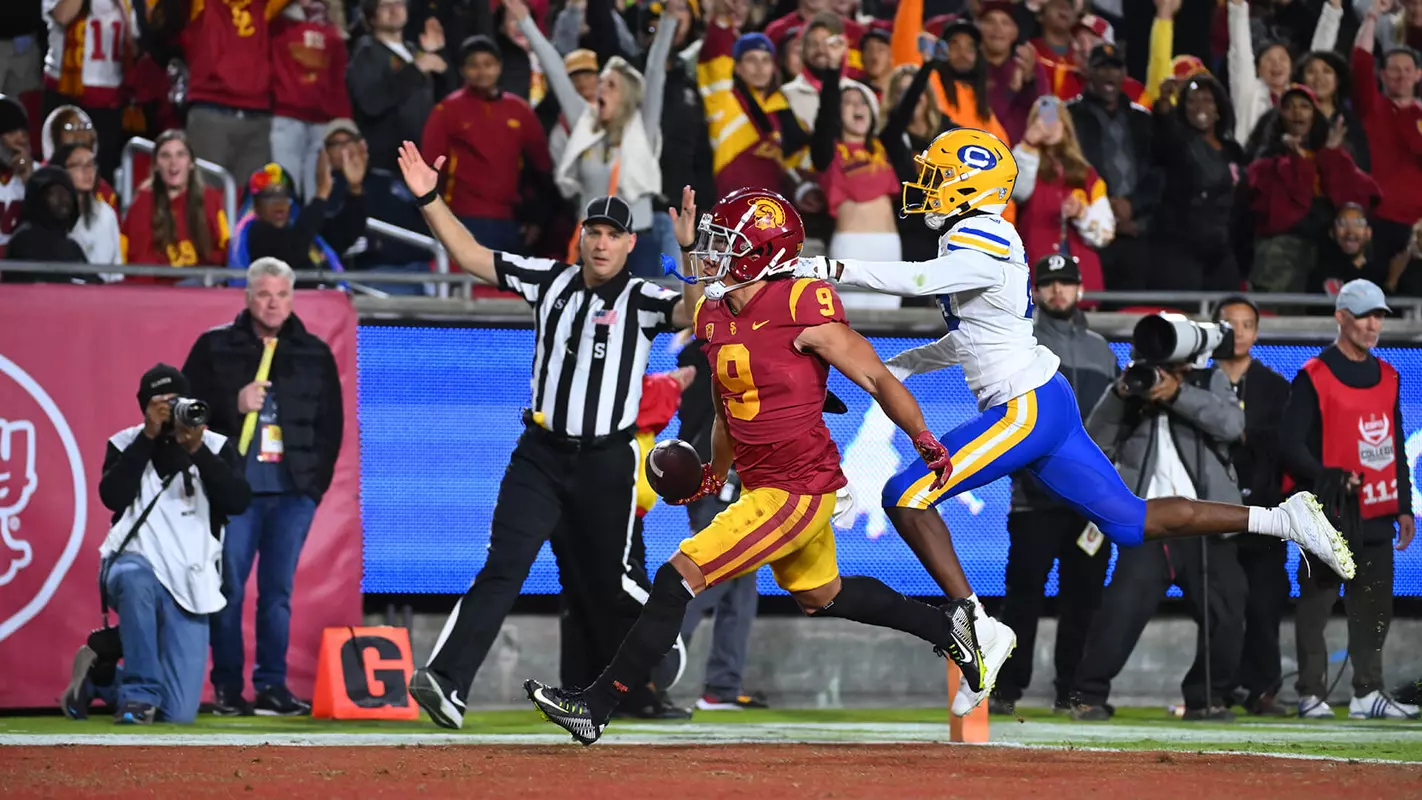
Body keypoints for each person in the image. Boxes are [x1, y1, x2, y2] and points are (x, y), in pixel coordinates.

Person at [796, 127, 1355, 717]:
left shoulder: (980, 230)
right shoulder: (972, 237)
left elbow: (915, 283)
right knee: (1131, 523)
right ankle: (1281, 519)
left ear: (970, 187)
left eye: (938, 179)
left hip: (1025, 406)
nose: (927, 191)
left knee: (904, 493)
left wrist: (825, 266)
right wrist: (895, 367)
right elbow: (968, 338)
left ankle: (976, 627)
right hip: (1044, 402)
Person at [524, 187, 974, 746]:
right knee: (823, 595)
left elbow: (878, 377)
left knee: (676, 577)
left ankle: (595, 706)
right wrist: (715, 470)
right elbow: (725, 402)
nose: (711, 255)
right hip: (764, 483)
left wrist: (922, 436)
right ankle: (949, 626)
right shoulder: (713, 311)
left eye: (724, 244)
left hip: (796, 489)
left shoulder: (800, 303)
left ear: (762, 254)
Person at [396, 140, 700, 730]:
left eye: (615, 234)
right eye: (595, 232)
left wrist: (686, 250)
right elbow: (472, 256)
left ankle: (662, 637)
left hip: (607, 462)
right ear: (581, 238)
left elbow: (690, 315)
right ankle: (447, 682)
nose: (603, 242)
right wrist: (430, 199)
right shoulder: (548, 281)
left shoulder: (640, 298)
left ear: (631, 244)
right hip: (539, 454)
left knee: (607, 583)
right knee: (503, 566)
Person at [182, 258, 345, 717]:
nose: (273, 303)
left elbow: (330, 425)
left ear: (292, 298)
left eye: (281, 294)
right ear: (247, 296)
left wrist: (313, 489)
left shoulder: (314, 352)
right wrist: (231, 403)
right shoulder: (214, 346)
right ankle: (228, 689)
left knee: (278, 593)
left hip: (293, 495)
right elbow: (185, 410)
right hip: (235, 492)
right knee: (228, 589)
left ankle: (272, 686)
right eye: (263, 294)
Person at [1069, 347, 1250, 723]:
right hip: (1148, 521)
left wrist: (1179, 394)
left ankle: (1206, 699)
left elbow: (1232, 426)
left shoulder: (1208, 380)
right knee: (1120, 611)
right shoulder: (1128, 390)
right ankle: (1088, 695)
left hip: (1206, 520)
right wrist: (1121, 395)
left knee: (1228, 609)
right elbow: (1093, 442)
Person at [62, 365, 250, 725]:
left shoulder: (214, 445)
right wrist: (149, 436)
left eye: (176, 401)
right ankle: (139, 694)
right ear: (145, 407)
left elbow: (238, 501)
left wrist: (196, 450)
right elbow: (112, 496)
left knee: (178, 713)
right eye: (160, 402)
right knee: (137, 582)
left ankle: (100, 677)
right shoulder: (124, 443)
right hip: (134, 563)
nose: (170, 409)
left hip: (190, 578)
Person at [1279, 279, 1419, 720]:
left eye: (1379, 315)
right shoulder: (1313, 377)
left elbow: (1395, 444)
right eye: (1364, 315)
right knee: (1317, 606)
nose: (1373, 324)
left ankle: (1367, 693)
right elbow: (1289, 445)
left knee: (1375, 604)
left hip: (1377, 511)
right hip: (1327, 513)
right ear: (1341, 317)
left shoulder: (1390, 376)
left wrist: (1403, 506)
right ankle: (1311, 693)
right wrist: (1330, 477)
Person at [989, 255, 1116, 717]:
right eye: (1049, 283)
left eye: (1066, 282)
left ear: (1081, 289)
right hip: (1034, 501)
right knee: (1023, 598)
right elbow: (1003, 414)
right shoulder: (1020, 344)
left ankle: (1074, 692)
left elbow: (1118, 425)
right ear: (1036, 291)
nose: (1058, 291)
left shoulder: (1102, 349)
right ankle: (1005, 689)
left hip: (1090, 505)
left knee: (1084, 600)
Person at [511, 0, 675, 276]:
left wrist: (669, 20)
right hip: (593, 245)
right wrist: (525, 21)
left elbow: (656, 70)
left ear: (625, 96)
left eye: (610, 85)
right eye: (601, 83)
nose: (600, 89)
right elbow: (555, 71)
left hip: (637, 243)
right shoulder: (584, 123)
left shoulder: (642, 127)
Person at [673, 338, 766, 711]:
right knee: (711, 575)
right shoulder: (706, 353)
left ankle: (722, 687)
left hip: (742, 484)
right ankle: (653, 658)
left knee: (742, 589)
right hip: (715, 479)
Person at [1212, 295, 1292, 718]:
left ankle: (1264, 690)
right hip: (1208, 514)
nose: (1238, 332)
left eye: (1246, 325)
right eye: (1230, 324)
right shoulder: (1195, 384)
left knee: (1264, 603)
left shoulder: (1277, 388)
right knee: (1220, 607)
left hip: (1265, 514)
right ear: (1215, 329)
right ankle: (1215, 689)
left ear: (1257, 333)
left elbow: (1285, 448)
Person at [420, 33, 552, 255]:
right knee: (467, 288)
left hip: (510, 220)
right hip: (462, 218)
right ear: (463, 70)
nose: (482, 72)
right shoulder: (447, 111)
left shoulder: (520, 111)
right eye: (474, 66)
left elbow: (540, 167)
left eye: (488, 64)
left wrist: (536, 217)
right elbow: (430, 168)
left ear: (499, 66)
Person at [1245, 84, 1377, 294]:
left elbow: (1353, 196)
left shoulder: (1328, 151)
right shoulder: (1267, 157)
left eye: (1304, 106)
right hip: (1281, 251)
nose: (1297, 112)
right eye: (1289, 106)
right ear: (1279, 115)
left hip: (1326, 250)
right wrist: (1294, 159)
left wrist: (1332, 154)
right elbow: (1292, 201)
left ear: (1314, 114)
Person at [1067, 43, 1161, 291]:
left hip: (1136, 231)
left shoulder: (1143, 119)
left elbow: (1157, 171)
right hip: (1088, 229)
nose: (1109, 75)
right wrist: (1105, 206)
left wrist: (1132, 205)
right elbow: (1067, 166)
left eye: (1115, 68)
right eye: (1101, 68)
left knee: (1134, 308)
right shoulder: (1070, 115)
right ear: (1088, 72)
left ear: (1124, 74)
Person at [810, 45, 902, 298]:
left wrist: (929, 66)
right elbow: (824, 116)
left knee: (890, 330)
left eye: (862, 101)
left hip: (889, 247)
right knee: (853, 327)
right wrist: (831, 68)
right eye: (847, 103)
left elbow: (902, 114)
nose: (856, 106)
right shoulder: (828, 152)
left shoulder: (885, 147)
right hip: (851, 247)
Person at [699, 0, 811, 198]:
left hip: (776, 211)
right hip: (735, 208)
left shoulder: (782, 108)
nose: (760, 68)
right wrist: (723, 21)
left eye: (765, 60)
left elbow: (795, 163)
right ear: (737, 67)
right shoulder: (724, 99)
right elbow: (716, 56)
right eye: (751, 60)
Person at [1011, 95, 1115, 295]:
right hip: (1036, 281)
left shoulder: (1087, 175)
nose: (1047, 125)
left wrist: (1082, 214)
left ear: (1065, 124)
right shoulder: (1023, 163)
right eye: (1040, 119)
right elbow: (1018, 191)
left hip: (1081, 284)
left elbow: (1105, 234)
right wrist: (1028, 145)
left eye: (1053, 117)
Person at [1150, 74, 1244, 291]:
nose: (1199, 106)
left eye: (1207, 100)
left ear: (1219, 109)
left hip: (1222, 247)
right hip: (1181, 245)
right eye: (1192, 100)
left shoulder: (1233, 151)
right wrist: (1164, 102)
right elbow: (1165, 131)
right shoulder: (1178, 142)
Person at [179, 0, 280, 192]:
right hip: (210, 110)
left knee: (252, 203)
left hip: (257, 117)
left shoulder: (262, 5)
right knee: (206, 199)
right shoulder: (202, 4)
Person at [1352, 7, 1422, 268]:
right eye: (1393, 70)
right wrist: (1371, 18)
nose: (1401, 75)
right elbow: (1360, 59)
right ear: (1382, 76)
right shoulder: (1373, 107)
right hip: (1377, 219)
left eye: (1407, 69)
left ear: (1418, 75)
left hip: (1419, 226)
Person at [1226, 0, 1343, 147]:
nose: (1277, 65)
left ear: (1292, 66)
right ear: (1258, 69)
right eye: (1269, 60)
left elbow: (1319, 55)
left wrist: (1333, 9)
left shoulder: (1300, 93)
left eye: (1282, 59)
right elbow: (1239, 51)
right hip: (1252, 166)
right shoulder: (1249, 93)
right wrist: (1237, 7)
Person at [348, 0, 446, 172]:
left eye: (399, 3)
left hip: (422, 158)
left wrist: (439, 55)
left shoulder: (414, 51)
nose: (395, 10)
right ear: (371, 17)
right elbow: (371, 102)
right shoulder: (366, 51)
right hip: (388, 163)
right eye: (385, 6)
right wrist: (416, 69)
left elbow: (443, 97)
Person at [40, 0, 133, 182]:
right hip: (64, 91)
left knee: (100, 174)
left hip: (110, 96)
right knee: (59, 170)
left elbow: (137, 39)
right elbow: (63, 15)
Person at [269, 0, 351, 204]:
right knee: (284, 192)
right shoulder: (278, 22)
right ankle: (284, 235)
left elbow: (338, 84)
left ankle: (309, 235)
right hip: (285, 118)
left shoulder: (335, 33)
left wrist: (345, 126)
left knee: (319, 195)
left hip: (322, 126)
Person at [120, 129, 228, 273]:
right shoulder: (143, 203)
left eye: (180, 155)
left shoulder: (210, 198)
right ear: (156, 165)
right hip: (158, 290)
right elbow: (138, 266)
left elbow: (224, 250)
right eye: (165, 156)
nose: (173, 163)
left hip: (204, 285)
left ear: (191, 163)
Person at [229, 159, 356, 274]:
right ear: (256, 206)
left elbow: (345, 233)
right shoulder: (256, 233)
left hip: (328, 297)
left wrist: (355, 189)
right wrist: (321, 195)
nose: (279, 203)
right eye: (269, 196)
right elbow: (293, 251)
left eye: (284, 195)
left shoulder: (301, 230)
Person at [882, 61, 948, 263]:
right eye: (901, 92)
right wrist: (928, 67)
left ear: (928, 97)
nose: (913, 98)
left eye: (916, 90)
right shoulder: (889, 137)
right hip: (907, 236)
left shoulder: (948, 134)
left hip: (944, 232)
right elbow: (902, 114)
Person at [978, 0, 1047, 146]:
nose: (998, 29)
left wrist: (1030, 82)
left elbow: (1050, 117)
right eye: (990, 22)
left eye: (1005, 23)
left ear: (1015, 32)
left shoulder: (1032, 67)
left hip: (1025, 156)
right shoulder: (972, 69)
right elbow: (982, 121)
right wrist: (1011, 90)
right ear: (978, 28)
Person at [2, 163, 87, 273]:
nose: (62, 199)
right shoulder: (25, 241)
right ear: (37, 199)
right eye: (53, 192)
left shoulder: (70, 244)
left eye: (66, 193)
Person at [39, 105, 118, 211]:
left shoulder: (104, 192)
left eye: (84, 127)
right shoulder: (38, 181)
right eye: (70, 127)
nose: (79, 134)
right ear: (54, 136)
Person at [53, 142, 120, 265]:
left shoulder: (105, 214)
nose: (87, 171)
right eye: (78, 165)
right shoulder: (49, 214)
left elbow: (116, 265)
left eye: (91, 164)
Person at [1318, 203, 1389, 294]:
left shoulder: (1380, 275)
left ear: (1368, 233)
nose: (1350, 232)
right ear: (1332, 233)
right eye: (1342, 224)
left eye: (1358, 224)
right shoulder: (1321, 274)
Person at [0, 93, 32, 256]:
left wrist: (29, 180)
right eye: (12, 133)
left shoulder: (40, 175)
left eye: (23, 133)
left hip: (23, 268)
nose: (21, 139)